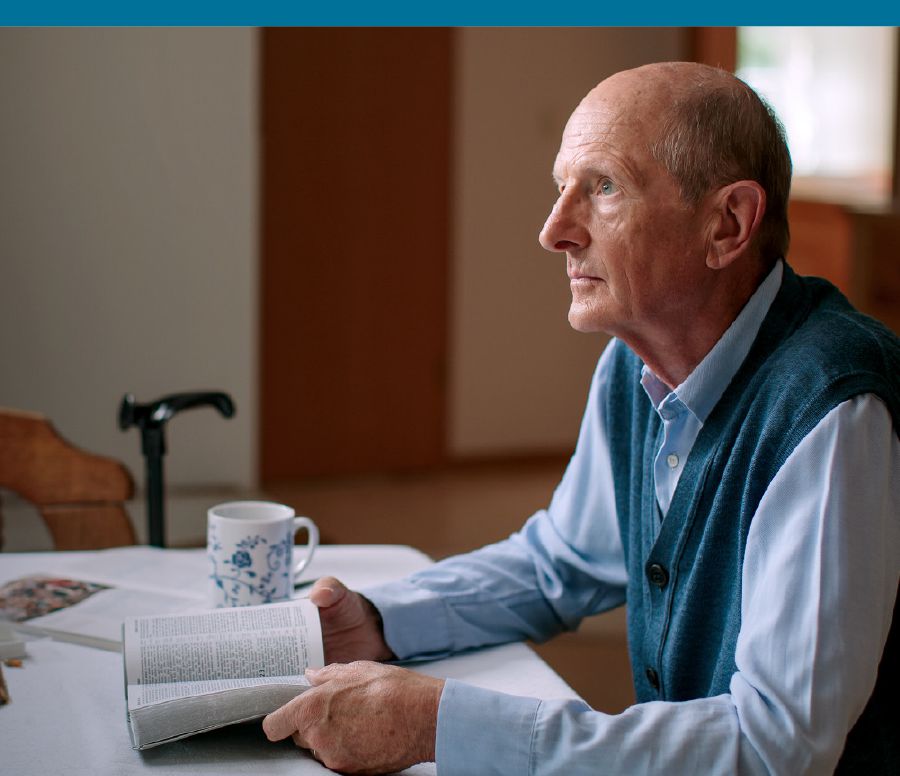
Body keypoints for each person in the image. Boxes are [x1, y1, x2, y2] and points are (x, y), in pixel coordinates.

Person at [263, 61, 899, 774]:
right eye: (561, 187)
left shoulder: (831, 409)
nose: (554, 231)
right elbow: (560, 562)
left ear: (728, 224)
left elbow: (775, 747)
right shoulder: (637, 362)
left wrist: (440, 726)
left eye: (604, 188)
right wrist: (377, 621)